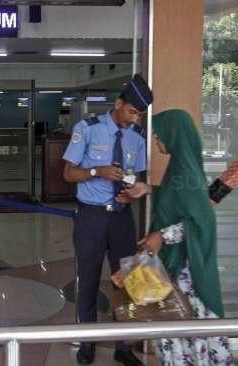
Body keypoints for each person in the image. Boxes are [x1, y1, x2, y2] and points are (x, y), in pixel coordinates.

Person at [124, 109, 235, 365]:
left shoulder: (184, 170)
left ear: (174, 134)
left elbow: (202, 220)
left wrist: (162, 236)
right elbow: (181, 198)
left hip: (187, 272)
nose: (156, 140)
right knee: (180, 328)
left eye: (158, 135)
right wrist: (150, 188)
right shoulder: (182, 165)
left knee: (182, 325)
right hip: (180, 264)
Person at [62, 74, 152, 366]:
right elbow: (68, 173)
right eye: (131, 112)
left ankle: (123, 346)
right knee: (87, 281)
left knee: (124, 282)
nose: (133, 119)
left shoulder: (136, 137)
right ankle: (87, 341)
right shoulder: (87, 129)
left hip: (122, 219)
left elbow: (135, 176)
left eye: (138, 115)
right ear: (118, 104)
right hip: (91, 217)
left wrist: (131, 192)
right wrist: (95, 172)